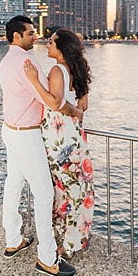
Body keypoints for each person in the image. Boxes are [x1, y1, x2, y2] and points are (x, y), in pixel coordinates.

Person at [0, 15, 83, 276]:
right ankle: (47, 258)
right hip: (27, 135)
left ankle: (13, 239)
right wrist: (76, 110)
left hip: (11, 130)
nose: (36, 37)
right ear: (16, 36)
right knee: (44, 193)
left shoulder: (5, 61)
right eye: (30, 33)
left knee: (13, 183)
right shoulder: (26, 61)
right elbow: (52, 101)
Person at [23, 28, 94, 258]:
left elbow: (55, 103)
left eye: (52, 42)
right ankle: (71, 240)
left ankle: (65, 243)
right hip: (75, 137)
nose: (47, 44)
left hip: (59, 140)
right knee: (75, 188)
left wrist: (34, 81)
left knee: (62, 189)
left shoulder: (56, 69)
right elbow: (83, 105)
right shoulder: (77, 70)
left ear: (62, 47)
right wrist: (75, 110)